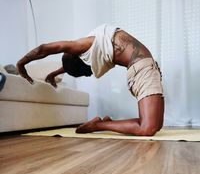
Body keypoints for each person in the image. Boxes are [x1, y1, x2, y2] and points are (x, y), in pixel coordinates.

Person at [17, 24, 164, 136]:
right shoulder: (87, 46)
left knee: (156, 125)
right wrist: (21, 63)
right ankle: (97, 126)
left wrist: (52, 74)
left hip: (148, 69)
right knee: (148, 128)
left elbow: (69, 65)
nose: (68, 50)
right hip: (142, 70)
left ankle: (107, 123)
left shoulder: (90, 47)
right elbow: (44, 48)